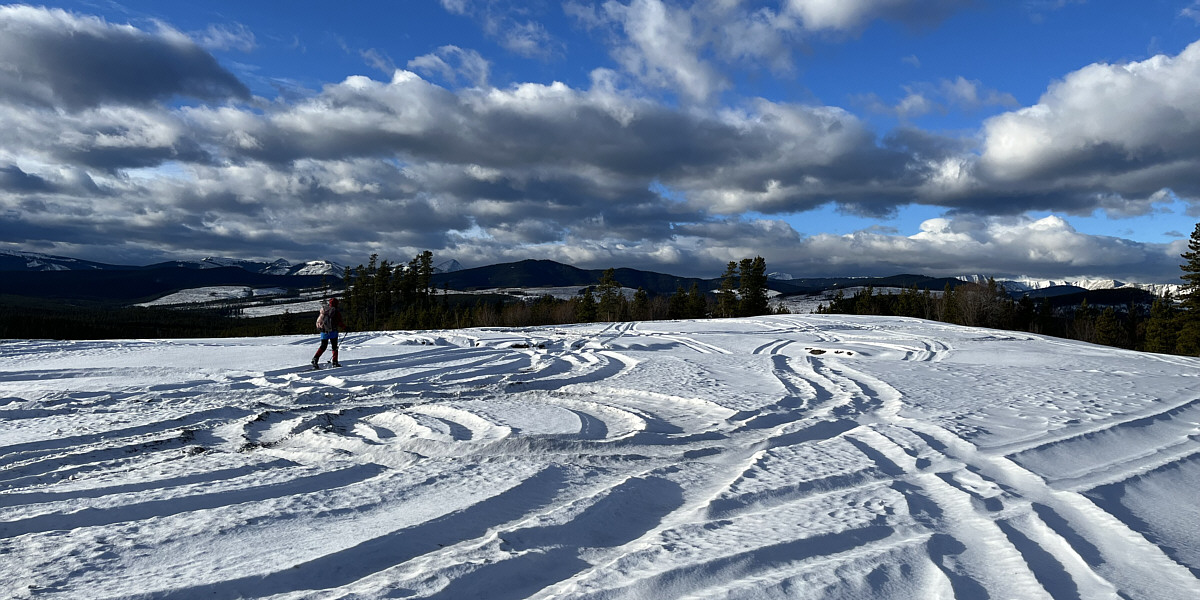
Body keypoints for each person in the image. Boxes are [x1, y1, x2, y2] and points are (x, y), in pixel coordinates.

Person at [312, 297, 346, 369]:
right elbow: (339, 322)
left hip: (323, 331)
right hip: (333, 331)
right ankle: (335, 362)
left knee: (323, 346)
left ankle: (315, 359)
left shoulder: (324, 310)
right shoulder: (335, 311)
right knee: (334, 346)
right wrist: (345, 328)